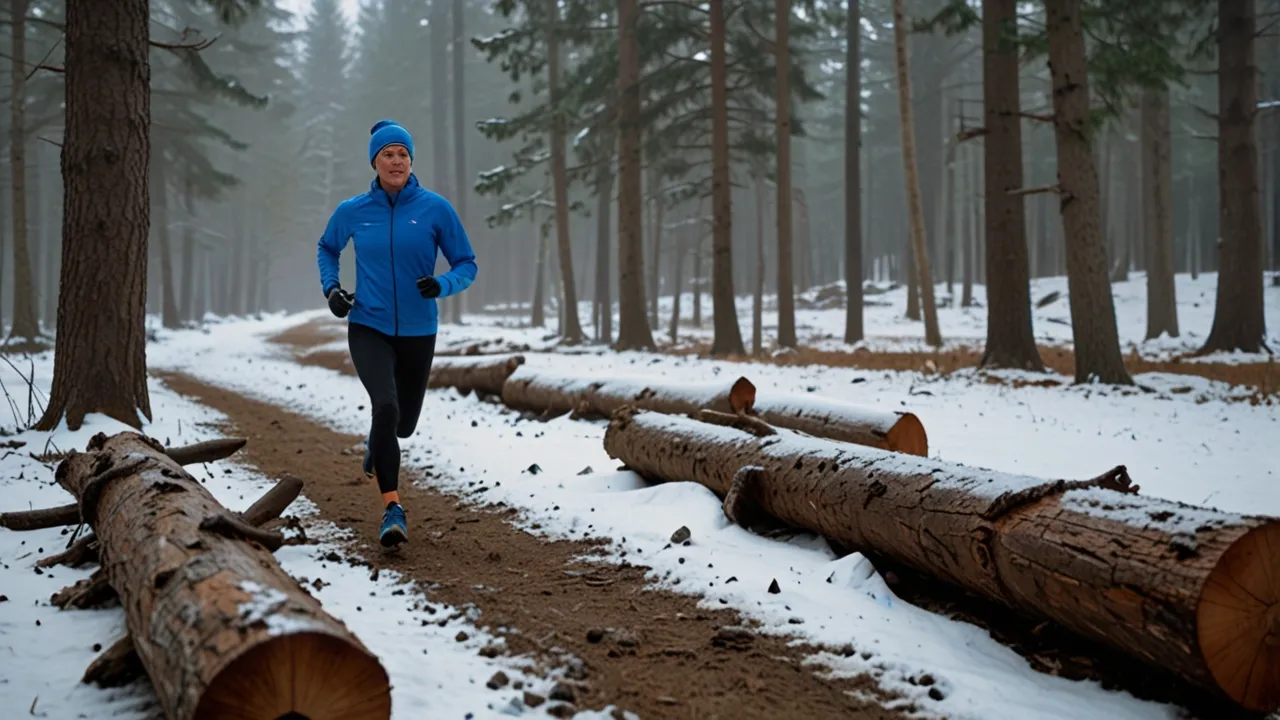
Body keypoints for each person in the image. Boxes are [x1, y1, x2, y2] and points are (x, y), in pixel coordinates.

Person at [317, 119, 478, 547]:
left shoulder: (435, 209)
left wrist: (442, 285)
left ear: (411, 161)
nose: (396, 161)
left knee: (402, 425)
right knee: (385, 407)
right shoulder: (353, 210)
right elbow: (327, 247)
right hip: (368, 325)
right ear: (375, 161)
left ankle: (379, 440)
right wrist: (331, 289)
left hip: (419, 331)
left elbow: (467, 263)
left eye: (403, 154)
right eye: (388, 154)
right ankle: (393, 508)